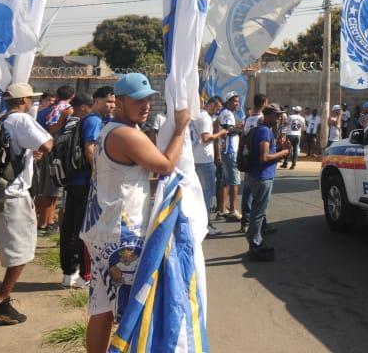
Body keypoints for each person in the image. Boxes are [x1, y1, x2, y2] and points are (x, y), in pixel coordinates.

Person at [80, 72, 190, 353]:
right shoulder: (126, 134)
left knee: (102, 308)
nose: (146, 106)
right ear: (120, 102)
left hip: (103, 229)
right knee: (131, 311)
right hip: (122, 235)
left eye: (149, 100)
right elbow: (164, 164)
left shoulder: (108, 130)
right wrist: (180, 129)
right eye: (138, 100)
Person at [0, 83, 53, 325]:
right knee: (22, 250)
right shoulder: (21, 120)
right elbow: (47, 144)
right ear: (25, 100)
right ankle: (2, 302)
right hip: (11, 195)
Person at [59, 93, 98, 288]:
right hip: (84, 181)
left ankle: (69, 272)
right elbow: (89, 150)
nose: (111, 105)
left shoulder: (70, 122)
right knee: (84, 229)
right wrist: (98, 174)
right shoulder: (93, 120)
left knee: (70, 228)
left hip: (72, 178)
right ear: (87, 106)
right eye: (108, 101)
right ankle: (85, 274)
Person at [244, 105, 291, 261]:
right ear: (268, 115)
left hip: (254, 175)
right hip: (262, 177)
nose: (278, 119)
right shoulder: (264, 131)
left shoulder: (259, 129)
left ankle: (255, 242)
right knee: (258, 214)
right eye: (276, 116)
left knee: (256, 213)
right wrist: (283, 153)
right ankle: (255, 245)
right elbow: (264, 157)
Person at [34, 85, 74, 232]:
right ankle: (44, 222)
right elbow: (57, 129)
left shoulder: (47, 110)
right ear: (73, 96)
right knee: (52, 188)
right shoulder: (68, 110)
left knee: (48, 187)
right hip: (57, 151)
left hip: (46, 148)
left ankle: (46, 220)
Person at [194, 97, 228, 236]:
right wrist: (221, 133)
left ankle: (201, 223)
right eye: (218, 107)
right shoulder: (205, 117)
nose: (218, 110)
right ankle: (205, 224)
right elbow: (206, 138)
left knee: (200, 193)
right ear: (212, 104)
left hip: (197, 159)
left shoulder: (198, 116)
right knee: (207, 194)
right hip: (204, 160)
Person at [239, 93, 268, 232]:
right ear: (264, 103)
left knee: (248, 191)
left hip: (247, 156)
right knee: (259, 195)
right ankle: (259, 224)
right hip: (257, 157)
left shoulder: (248, 118)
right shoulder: (262, 119)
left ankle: (245, 221)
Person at [218, 93, 245, 223]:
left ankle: (223, 209)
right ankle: (233, 210)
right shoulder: (227, 114)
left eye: (238, 101)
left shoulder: (225, 113)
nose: (237, 104)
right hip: (230, 151)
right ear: (228, 102)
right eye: (234, 101)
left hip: (226, 150)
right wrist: (240, 128)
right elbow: (228, 131)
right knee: (234, 181)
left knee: (226, 181)